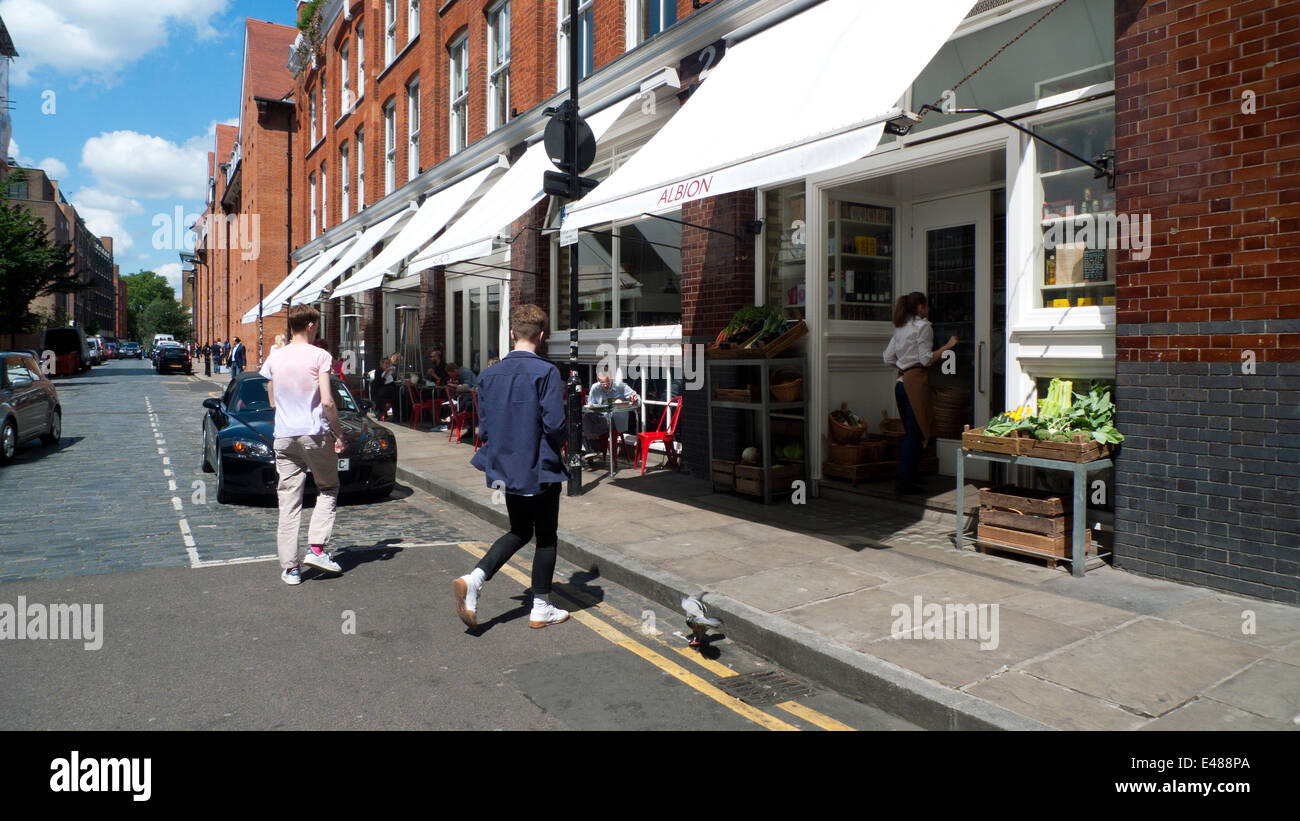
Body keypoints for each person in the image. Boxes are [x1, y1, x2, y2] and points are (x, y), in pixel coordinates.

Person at [453, 304, 569, 630]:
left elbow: (485, 430)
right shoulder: (546, 372)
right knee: (546, 537)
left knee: (520, 530)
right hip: (541, 466)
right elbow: (555, 425)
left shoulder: (488, 376)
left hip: (506, 467)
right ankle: (540, 607)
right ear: (542, 336)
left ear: (511, 333)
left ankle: (475, 579)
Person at [260, 304, 347, 585]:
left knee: (288, 502)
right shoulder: (320, 356)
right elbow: (327, 401)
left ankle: (291, 569)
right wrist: (339, 434)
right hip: (314, 434)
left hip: (284, 437)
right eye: (317, 325)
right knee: (328, 487)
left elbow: (272, 398)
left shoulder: (275, 358)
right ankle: (317, 549)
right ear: (310, 325)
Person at [882, 291, 957, 496]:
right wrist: (948, 347)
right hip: (915, 383)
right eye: (926, 305)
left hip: (900, 382)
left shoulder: (900, 328)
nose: (928, 309)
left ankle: (911, 475)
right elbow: (925, 360)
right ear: (920, 307)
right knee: (916, 433)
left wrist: (902, 364)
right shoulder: (924, 327)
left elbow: (887, 357)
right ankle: (904, 482)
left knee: (912, 431)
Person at [584, 367, 639, 459]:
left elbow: (636, 398)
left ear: (612, 378)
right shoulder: (595, 387)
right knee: (583, 419)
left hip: (615, 420)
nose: (605, 385)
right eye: (602, 383)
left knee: (602, 420)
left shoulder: (621, 387)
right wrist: (591, 406)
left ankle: (596, 446)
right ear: (598, 380)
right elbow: (590, 403)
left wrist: (635, 400)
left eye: (607, 382)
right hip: (600, 417)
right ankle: (590, 449)